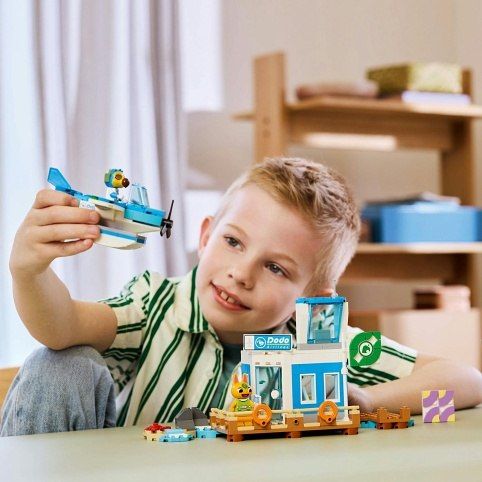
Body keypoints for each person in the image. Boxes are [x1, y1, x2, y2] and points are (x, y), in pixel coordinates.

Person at [2, 157, 481, 436]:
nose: (241, 274)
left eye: (275, 268)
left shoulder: (325, 347)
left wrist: (368, 401)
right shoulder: (154, 305)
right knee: (58, 364)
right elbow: (62, 326)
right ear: (205, 235)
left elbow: (466, 380)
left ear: (314, 298)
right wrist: (29, 271)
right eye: (233, 242)